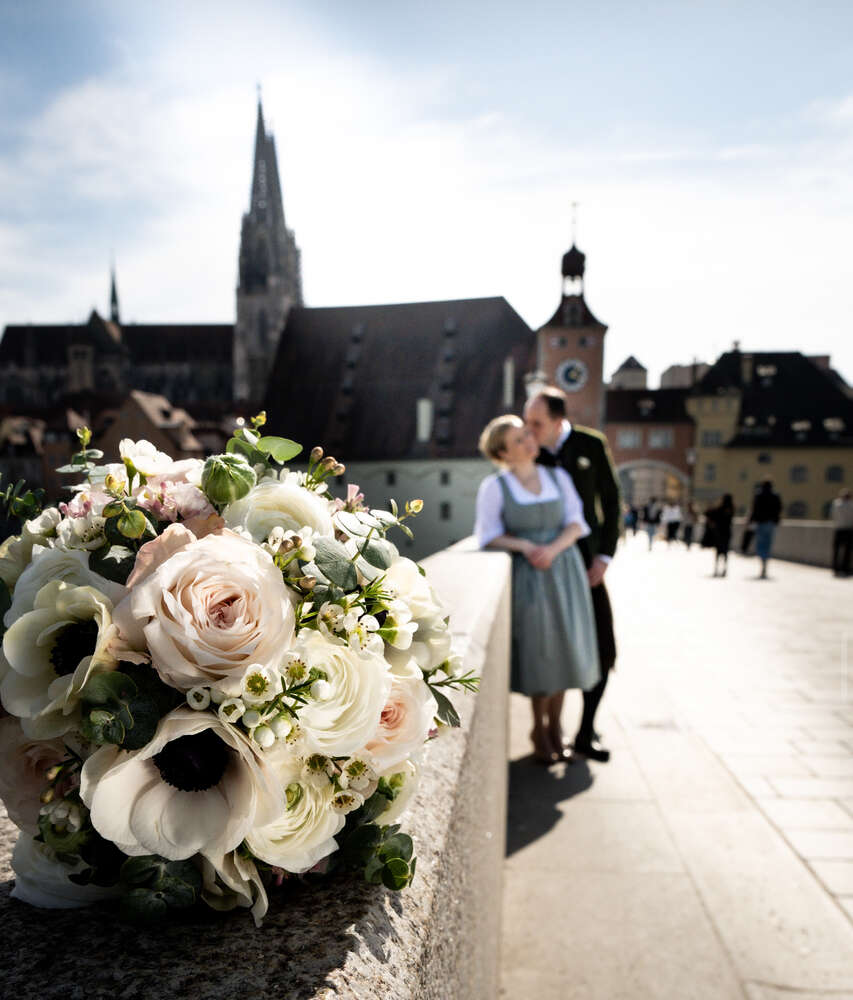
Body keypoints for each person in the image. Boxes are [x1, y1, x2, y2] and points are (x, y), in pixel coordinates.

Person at [474, 414, 600, 764]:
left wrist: (554, 548)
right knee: (541, 654)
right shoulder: (495, 487)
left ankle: (558, 728)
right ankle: (539, 729)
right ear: (503, 453)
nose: (529, 441)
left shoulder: (557, 476)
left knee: (565, 651)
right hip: (530, 579)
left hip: (564, 572)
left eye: (528, 435)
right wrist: (527, 547)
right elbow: (488, 535)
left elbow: (577, 523)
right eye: (518, 440)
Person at [524, 387, 620, 763]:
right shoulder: (530, 453)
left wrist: (605, 557)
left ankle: (585, 731)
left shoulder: (590, 445)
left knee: (603, 649)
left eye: (537, 423)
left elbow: (612, 501)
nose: (529, 430)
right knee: (557, 649)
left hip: (589, 566)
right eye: (527, 422)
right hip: (548, 572)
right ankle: (549, 729)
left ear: (558, 420)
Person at [748, 479, 782, 580]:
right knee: (767, 544)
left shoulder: (759, 495)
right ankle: (765, 564)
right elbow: (779, 508)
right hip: (770, 523)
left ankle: (763, 564)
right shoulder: (775, 496)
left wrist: (751, 521)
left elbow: (754, 509)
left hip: (761, 523)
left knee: (761, 545)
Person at [705, 493, 735, 577]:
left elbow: (709, 514)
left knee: (718, 552)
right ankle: (724, 568)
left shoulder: (720, 508)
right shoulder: (731, 509)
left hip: (719, 533)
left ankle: (717, 568)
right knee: (725, 552)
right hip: (727, 533)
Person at [831, 488, 853, 577]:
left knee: (836, 550)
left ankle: (835, 568)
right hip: (848, 530)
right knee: (847, 551)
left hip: (838, 529)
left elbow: (833, 515)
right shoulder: (851, 505)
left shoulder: (836, 504)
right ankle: (845, 569)